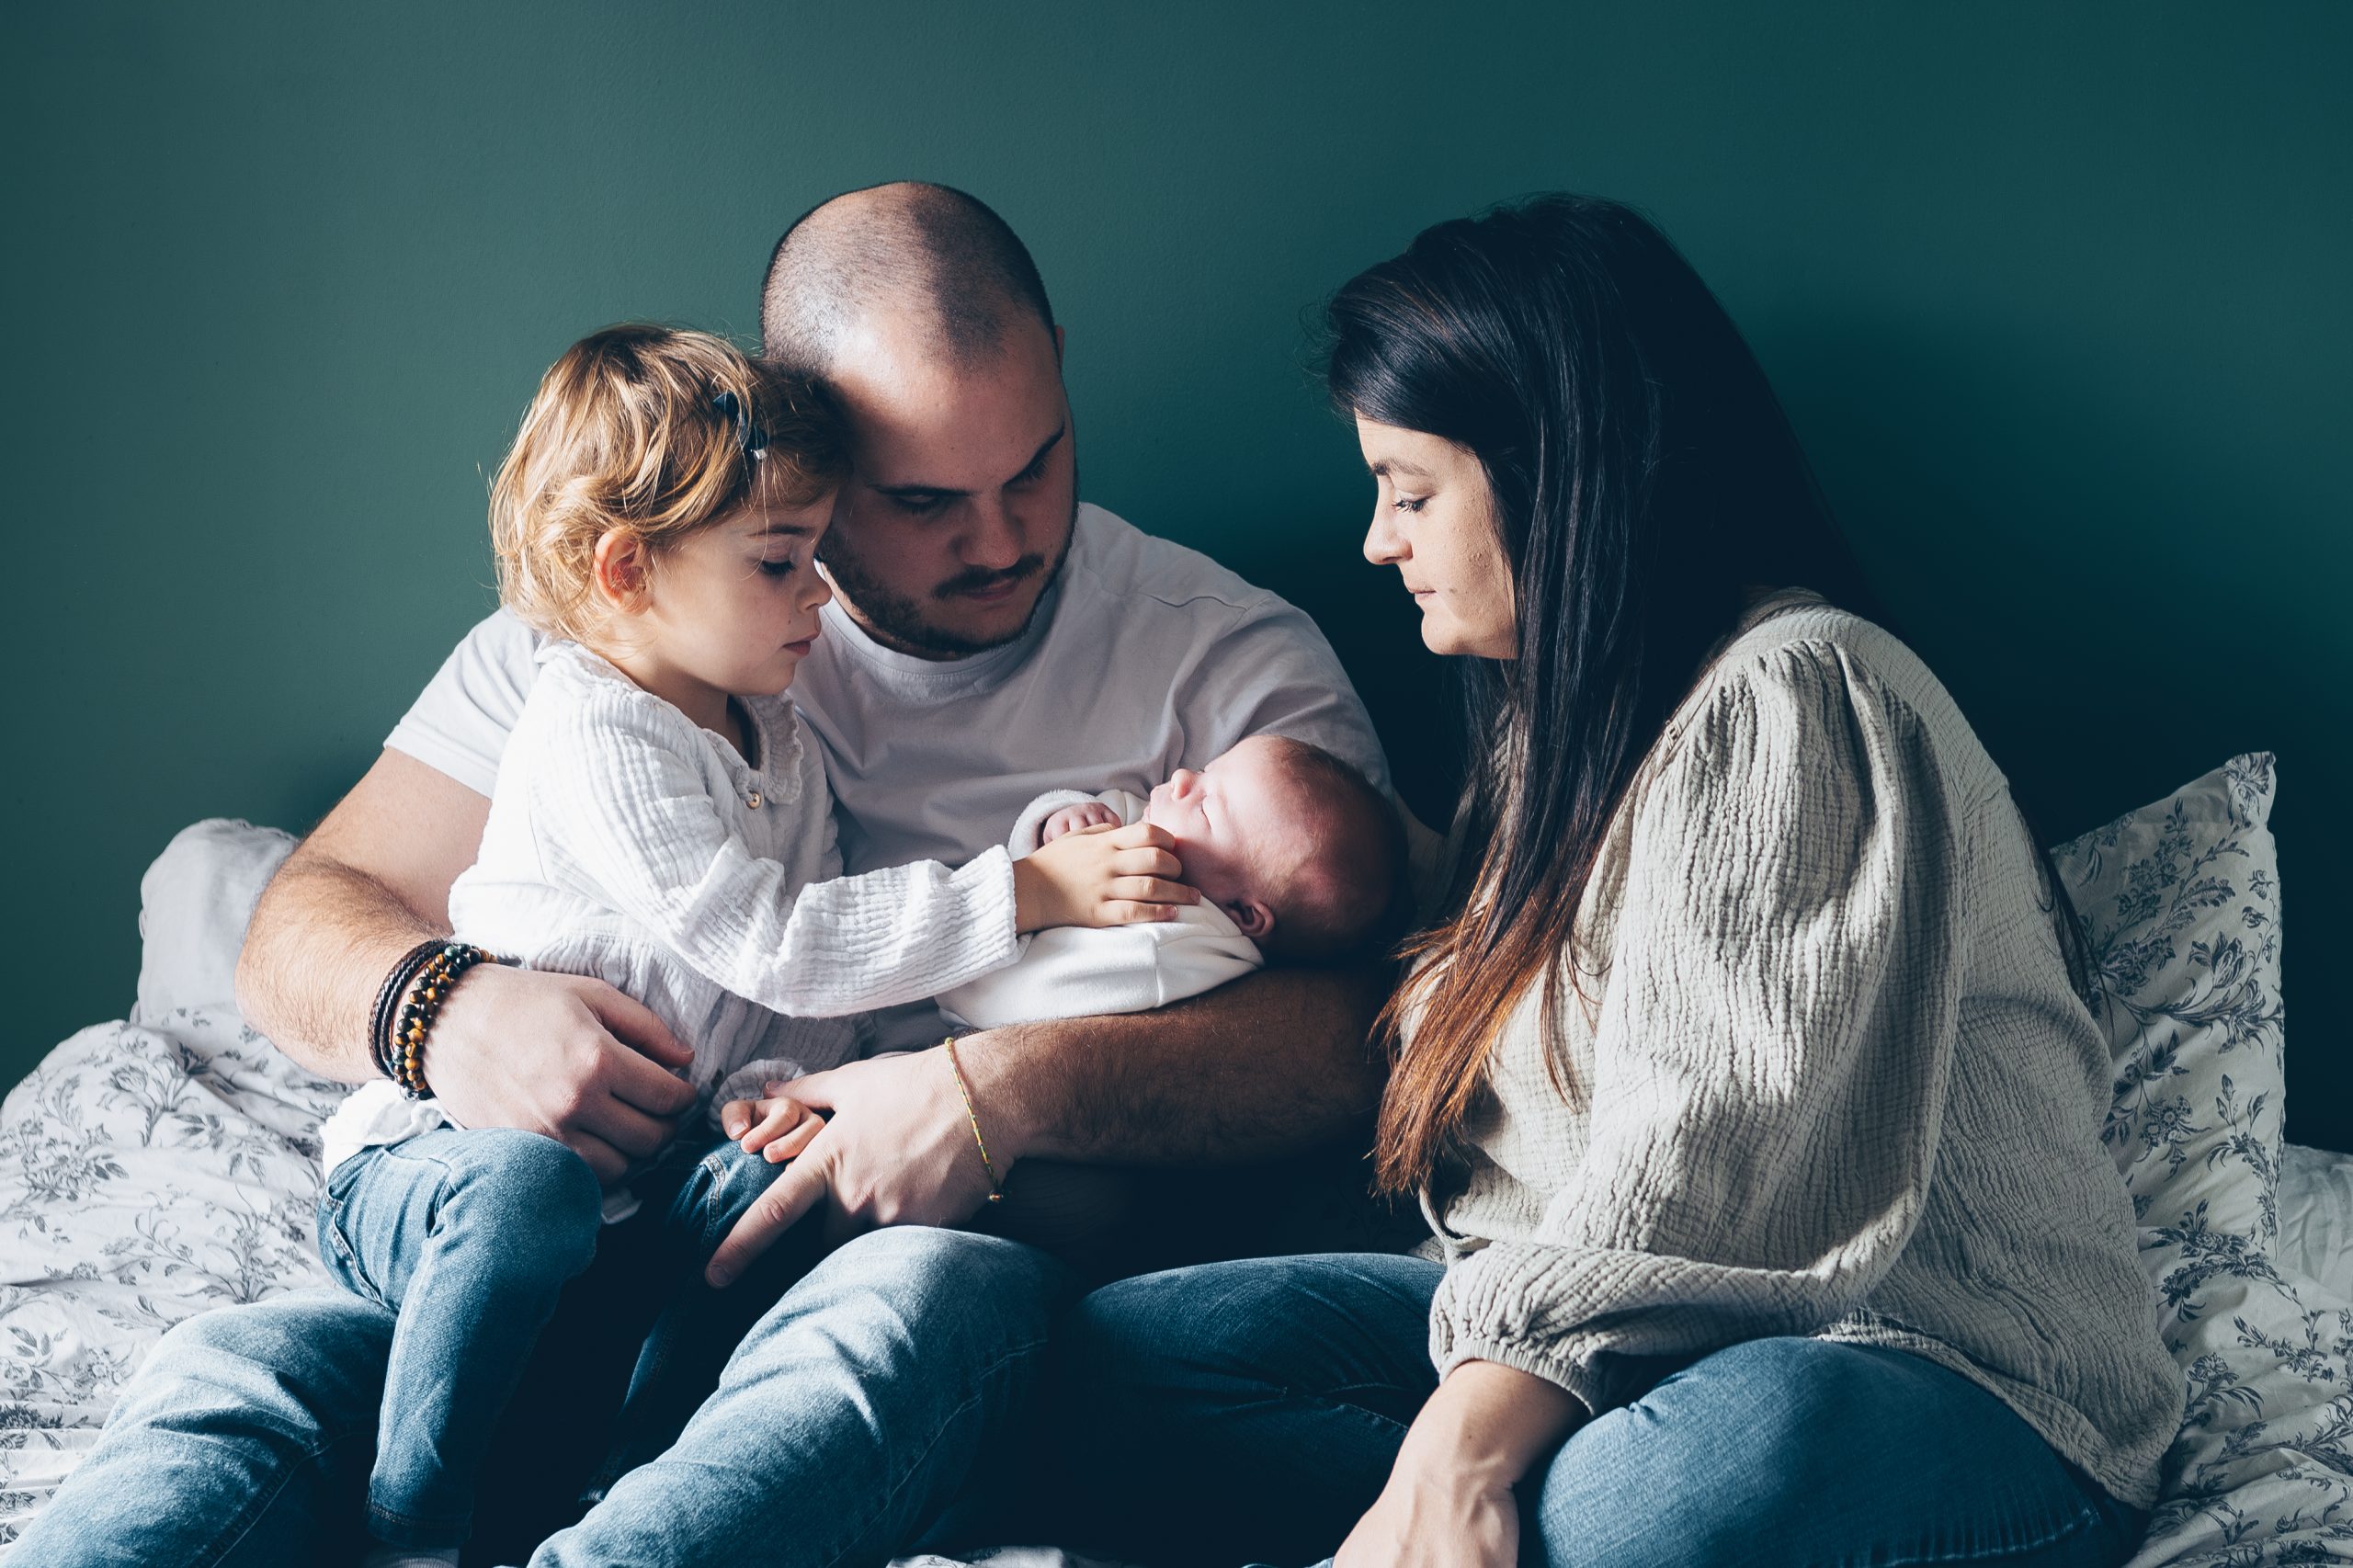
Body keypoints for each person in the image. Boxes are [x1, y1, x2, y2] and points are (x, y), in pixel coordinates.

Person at [10, 182, 1400, 1566]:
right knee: (246, 1369)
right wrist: (447, 1008)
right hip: (542, 1221)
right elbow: (295, 923)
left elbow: (1374, 1037)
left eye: (1036, 463)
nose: (1001, 539)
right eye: (922, 499)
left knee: (917, 1311)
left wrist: (990, 1092)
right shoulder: (615, 639)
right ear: (798, 454)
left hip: (850, 1252)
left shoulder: (1225, 663)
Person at [1056, 194, 2180, 1568]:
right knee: (1128, 1356)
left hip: (1934, 1366)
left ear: (1555, 472)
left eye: (1410, 492)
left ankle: (1503, 1508)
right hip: (1601, 1348)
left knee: (1647, 1501)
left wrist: (1460, 1447)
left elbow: (1708, 1156)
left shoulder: (1795, 692)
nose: (1376, 541)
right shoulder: (1553, 740)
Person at [308, 324, 1198, 1568]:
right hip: (445, 1166)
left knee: (789, 1198)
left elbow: (803, 987)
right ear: (627, 572)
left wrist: (789, 1095)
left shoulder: (771, 734)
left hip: (641, 1174)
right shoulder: (595, 730)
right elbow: (770, 944)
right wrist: (1024, 891)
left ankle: (610, 1486)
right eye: (782, 565)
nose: (821, 598)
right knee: (528, 1190)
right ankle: (415, 1517)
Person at [939, 734, 1407, 1029]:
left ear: (1243, 913)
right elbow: (1115, 812)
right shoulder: (1171, 848)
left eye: (1205, 806)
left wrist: (1042, 888)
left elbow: (990, 993)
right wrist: (1058, 821)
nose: (1182, 778)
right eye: (1206, 771)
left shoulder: (1163, 948)